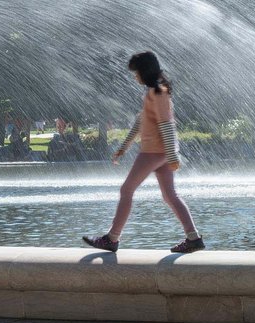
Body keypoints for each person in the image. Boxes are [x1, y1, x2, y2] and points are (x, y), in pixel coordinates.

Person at [84, 50, 204, 254]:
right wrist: (124, 146)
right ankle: (193, 238)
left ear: (145, 71)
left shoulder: (159, 93)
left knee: (126, 190)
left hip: (154, 152)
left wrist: (173, 156)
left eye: (136, 71)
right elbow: (141, 121)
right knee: (169, 195)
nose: (135, 76)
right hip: (162, 151)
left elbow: (166, 124)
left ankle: (112, 239)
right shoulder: (154, 93)